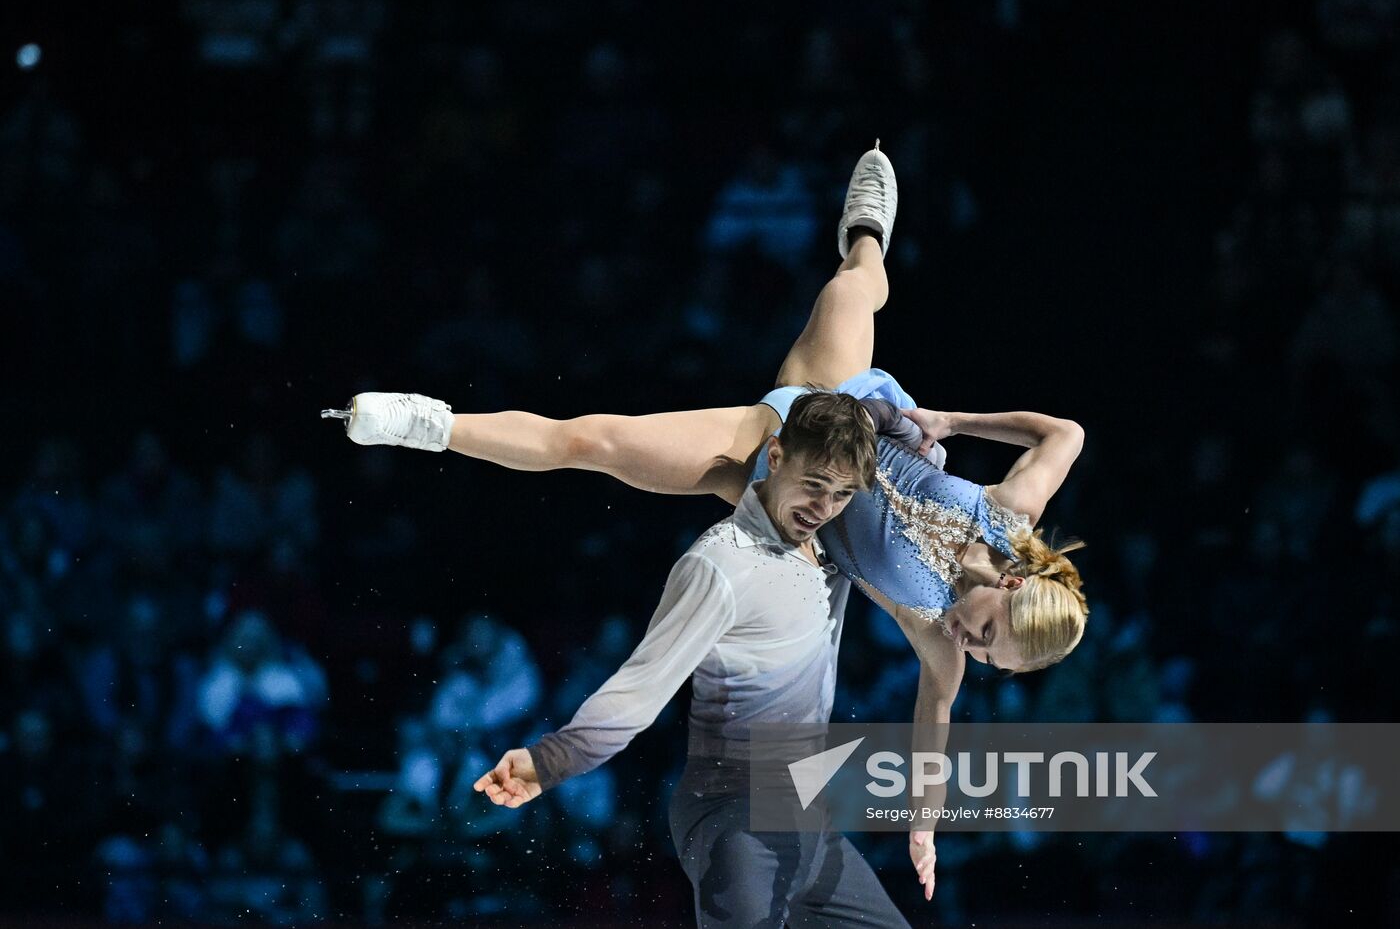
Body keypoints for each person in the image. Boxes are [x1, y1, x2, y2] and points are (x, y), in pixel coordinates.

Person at [325, 144, 1088, 896]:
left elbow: (934, 726)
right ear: (1010, 584)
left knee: (600, 455)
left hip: (786, 511)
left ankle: (426, 427)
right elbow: (1064, 433)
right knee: (845, 289)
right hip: (817, 419)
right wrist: (953, 420)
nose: (971, 647)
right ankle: (866, 232)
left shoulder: (938, 639)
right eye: (987, 635)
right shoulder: (1008, 511)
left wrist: (923, 826)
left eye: (988, 660)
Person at [473, 390, 912, 928]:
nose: (823, 507)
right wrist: (551, 761)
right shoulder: (721, 563)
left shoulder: (828, 541)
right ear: (775, 456)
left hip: (804, 812)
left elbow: (905, 441)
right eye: (815, 485)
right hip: (734, 810)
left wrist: (892, 416)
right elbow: (642, 687)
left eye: (842, 494)